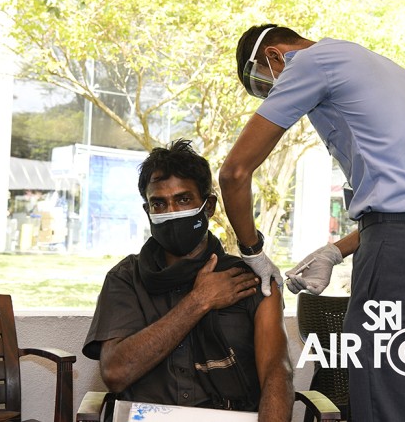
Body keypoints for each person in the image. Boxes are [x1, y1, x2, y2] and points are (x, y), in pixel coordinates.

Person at [219, 24, 405, 422]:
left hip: (397, 261)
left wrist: (253, 253)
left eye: (267, 86)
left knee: (382, 410)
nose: (275, 95)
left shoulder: (309, 62)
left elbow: (234, 173)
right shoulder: (393, 73)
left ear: (275, 57)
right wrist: (334, 251)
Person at [83, 139, 293, 422]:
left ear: (209, 206)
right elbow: (116, 373)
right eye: (159, 203)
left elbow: (277, 374)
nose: (172, 212)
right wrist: (198, 301)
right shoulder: (125, 279)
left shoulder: (251, 280)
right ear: (147, 211)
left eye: (183, 200)